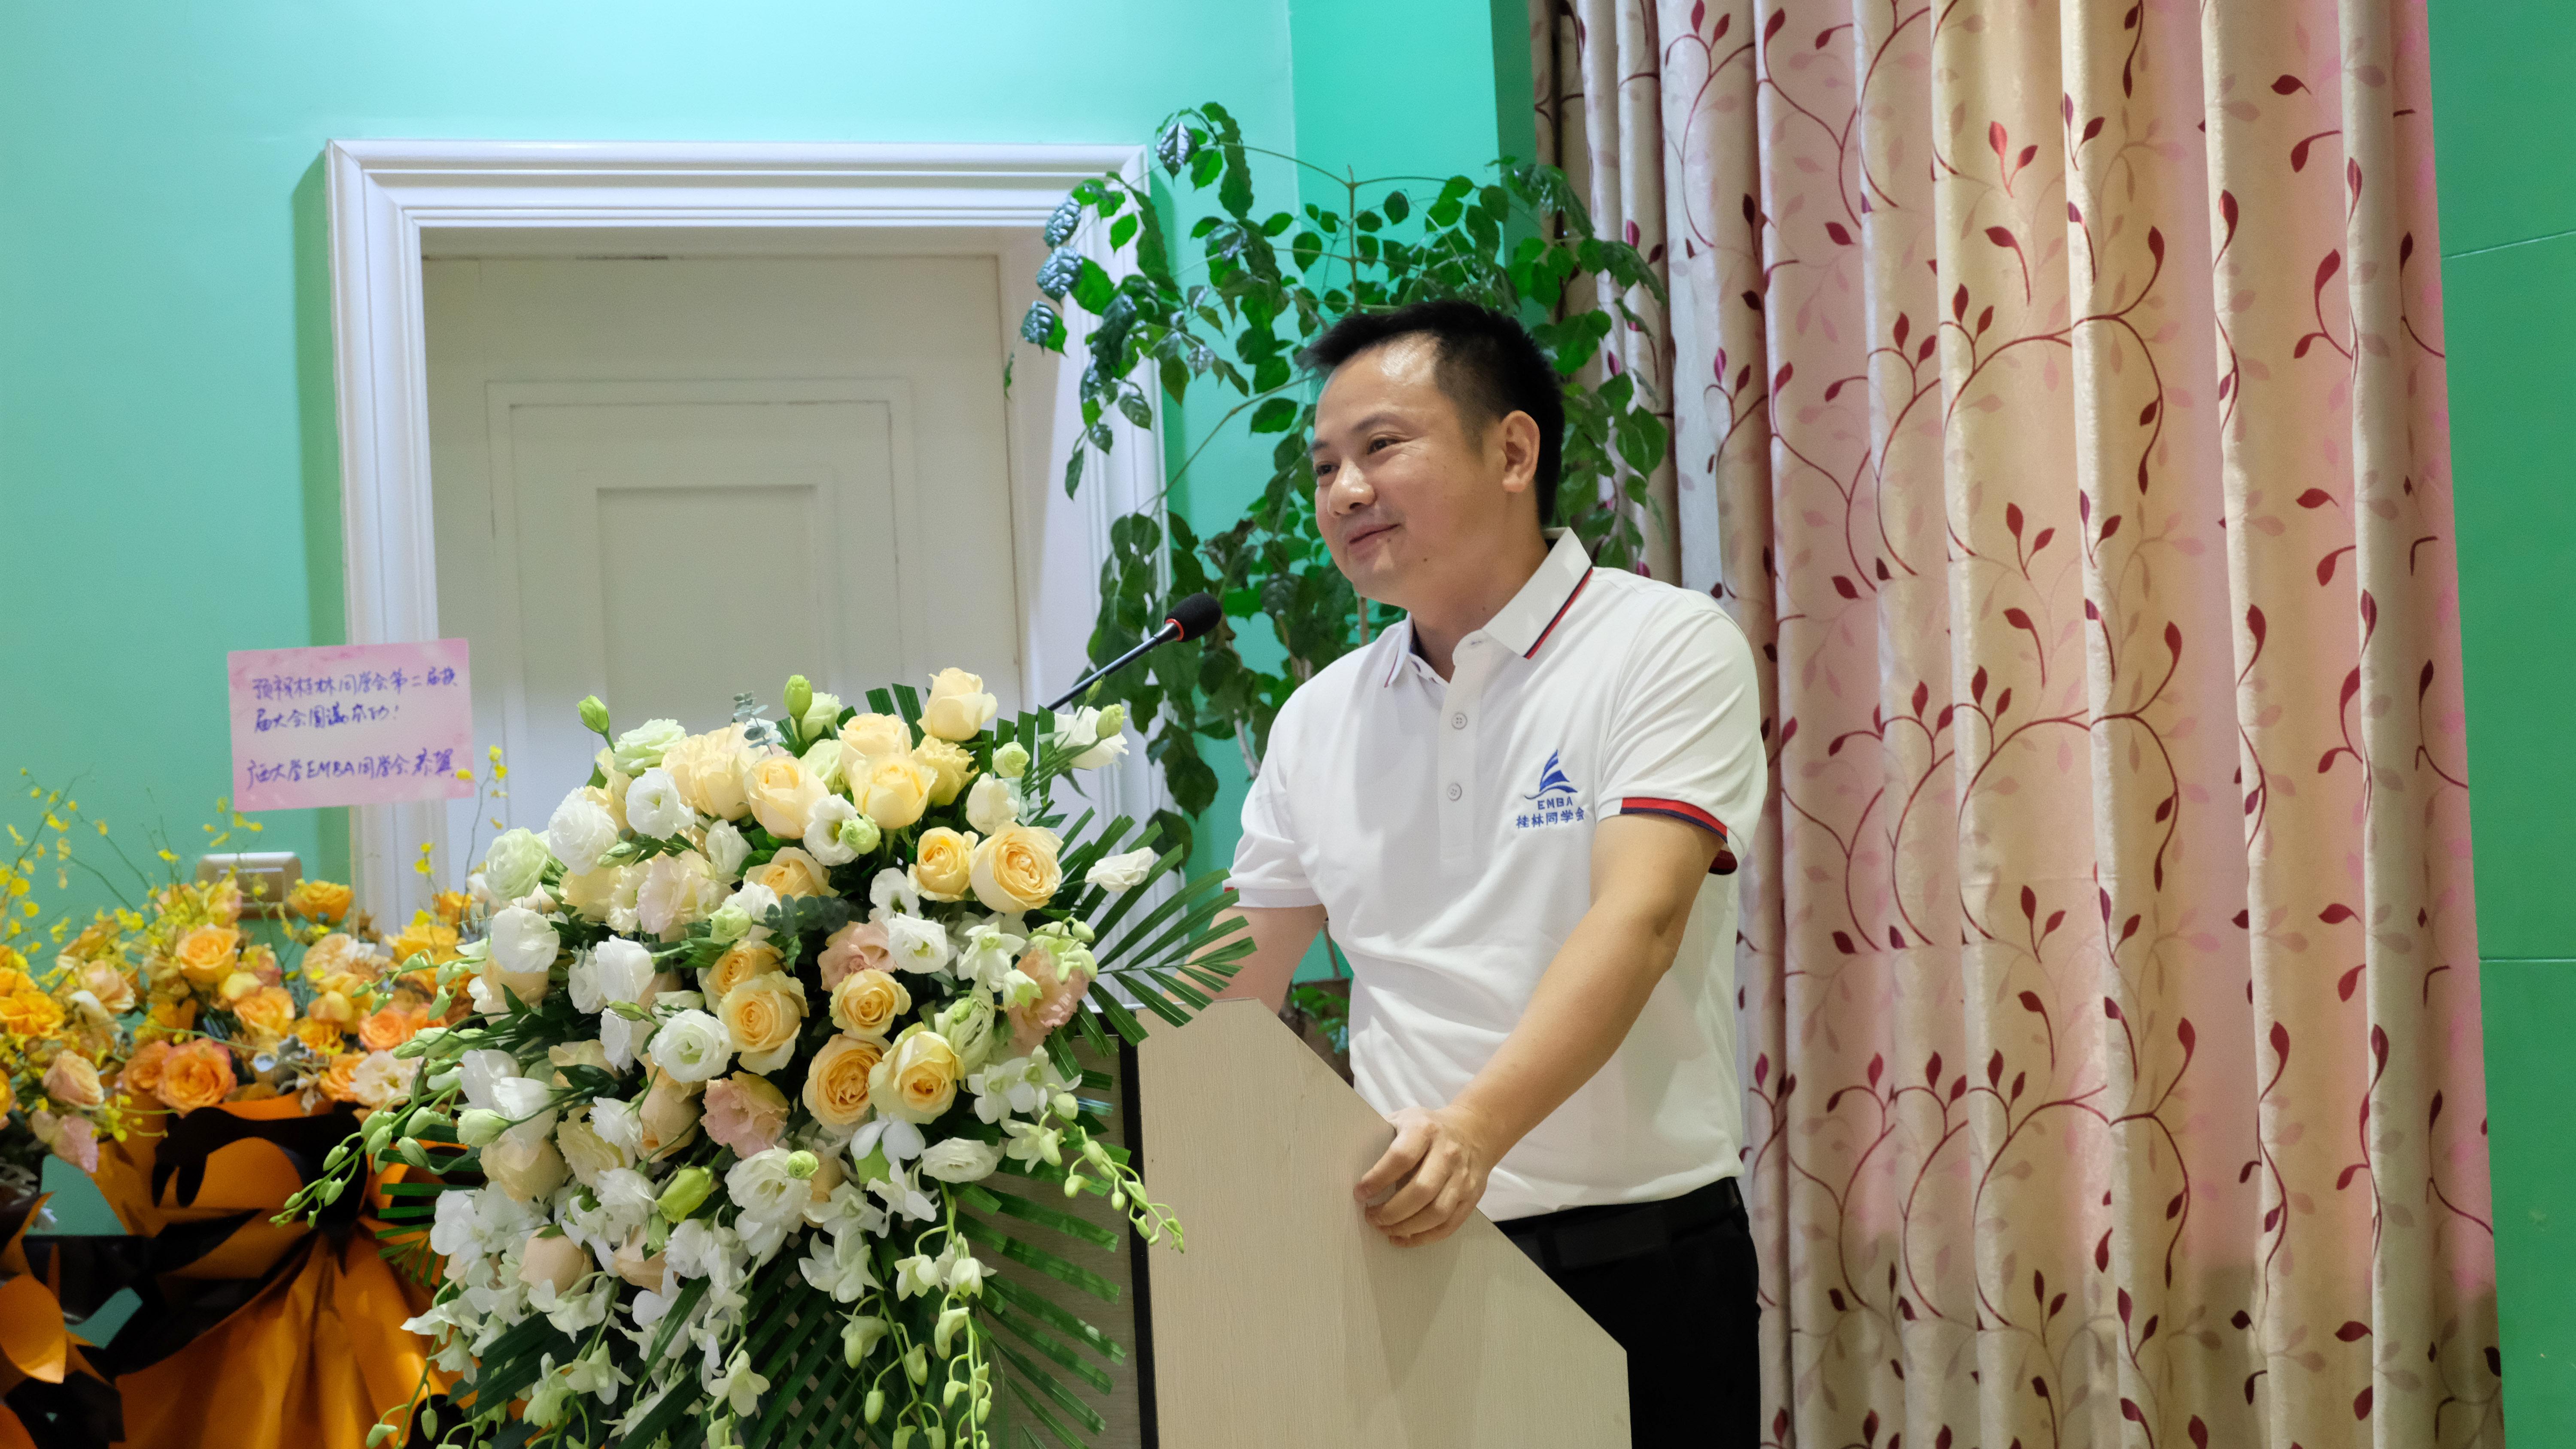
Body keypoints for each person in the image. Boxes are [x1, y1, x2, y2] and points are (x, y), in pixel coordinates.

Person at [1212, 299, 1766, 1444]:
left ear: (1513, 451)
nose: (1344, 492)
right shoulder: (1321, 716)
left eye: (1381, 447)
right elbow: (1237, 979)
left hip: (1637, 1262)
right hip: (1407, 1260)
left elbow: (1641, 920)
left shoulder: (1662, 645)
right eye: (1324, 467)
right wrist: (1054, 1010)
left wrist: (1472, 1132)